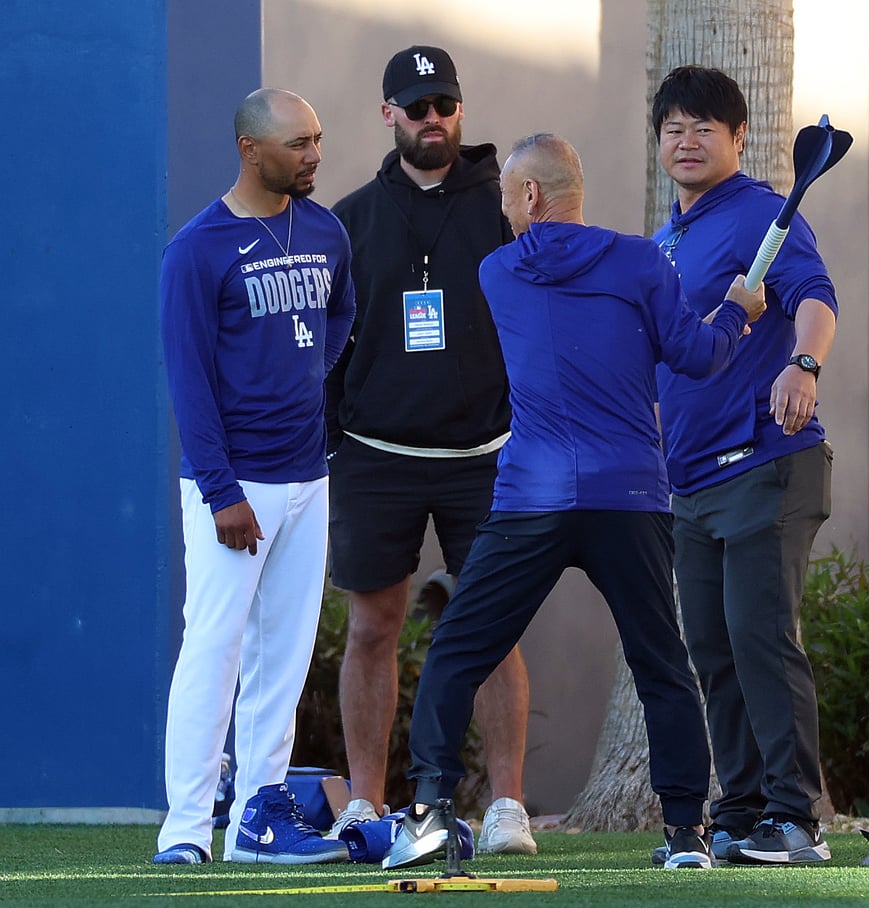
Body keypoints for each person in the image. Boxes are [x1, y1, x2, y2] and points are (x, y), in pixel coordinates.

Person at [381, 132, 767, 872]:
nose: (504, 210)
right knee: (662, 664)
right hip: (631, 495)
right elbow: (701, 356)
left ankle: (428, 814)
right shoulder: (643, 262)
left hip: (534, 497)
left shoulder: (499, 272)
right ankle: (685, 836)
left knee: (458, 650)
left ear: (530, 195)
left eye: (507, 196)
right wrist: (737, 310)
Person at [325, 45, 535, 855]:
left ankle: (508, 807)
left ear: (460, 109)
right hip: (375, 454)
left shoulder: (505, 208)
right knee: (373, 626)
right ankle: (365, 804)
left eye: (444, 104)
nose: (432, 119)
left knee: (493, 628)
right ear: (389, 114)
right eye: (416, 107)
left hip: (487, 453)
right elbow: (330, 349)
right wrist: (330, 437)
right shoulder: (350, 220)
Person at [154, 88, 356, 865]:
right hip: (236, 484)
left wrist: (303, 382)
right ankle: (184, 829)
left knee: (284, 659)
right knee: (213, 650)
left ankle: (257, 821)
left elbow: (342, 314)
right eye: (297, 143)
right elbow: (189, 382)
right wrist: (221, 491)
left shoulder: (325, 230)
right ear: (250, 149)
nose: (314, 154)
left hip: (308, 475)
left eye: (317, 138)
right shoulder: (197, 249)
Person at [650, 65, 838, 865]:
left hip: (766, 461)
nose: (688, 141)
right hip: (689, 481)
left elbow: (816, 296)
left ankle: (796, 819)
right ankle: (742, 809)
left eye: (705, 128)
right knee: (715, 650)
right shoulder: (664, 241)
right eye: (674, 128)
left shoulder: (761, 213)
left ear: (738, 138)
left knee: (761, 637)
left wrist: (803, 363)